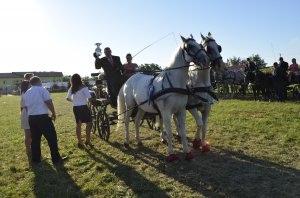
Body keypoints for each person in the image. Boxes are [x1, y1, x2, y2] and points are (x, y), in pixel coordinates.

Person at [25, 76, 66, 164]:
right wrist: (54, 113)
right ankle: (56, 159)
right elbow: (48, 102)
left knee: (35, 140)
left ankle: (36, 159)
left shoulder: (27, 92)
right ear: (39, 82)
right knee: (52, 138)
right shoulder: (42, 90)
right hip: (43, 117)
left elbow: (25, 106)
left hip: (31, 118)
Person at [66, 74, 93, 148]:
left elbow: (67, 98)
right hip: (83, 107)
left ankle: (80, 142)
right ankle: (88, 140)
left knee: (78, 125)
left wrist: (74, 101)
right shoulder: (84, 87)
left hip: (75, 108)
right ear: (79, 79)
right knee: (89, 123)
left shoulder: (71, 88)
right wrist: (93, 102)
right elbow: (89, 98)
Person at [20, 80, 31, 155]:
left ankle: (30, 149)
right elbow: (26, 107)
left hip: (26, 114)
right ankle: (28, 150)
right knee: (28, 135)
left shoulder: (24, 93)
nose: (31, 86)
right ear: (26, 86)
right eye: (29, 85)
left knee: (30, 134)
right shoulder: (25, 94)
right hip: (27, 115)